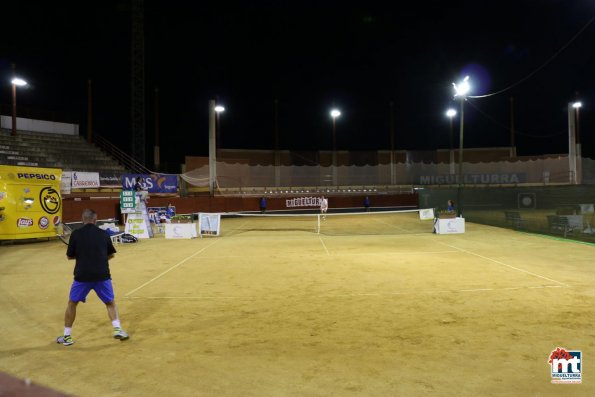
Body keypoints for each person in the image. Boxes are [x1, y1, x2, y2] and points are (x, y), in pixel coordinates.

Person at [56, 208, 129, 346]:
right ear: (95, 220)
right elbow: (111, 255)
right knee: (110, 303)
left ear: (82, 219)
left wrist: (84, 257)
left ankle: (66, 336)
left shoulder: (76, 234)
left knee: (72, 303)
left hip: (82, 276)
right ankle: (117, 329)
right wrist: (98, 259)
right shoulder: (103, 234)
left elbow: (69, 256)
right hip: (102, 275)